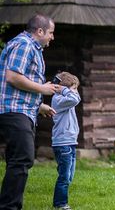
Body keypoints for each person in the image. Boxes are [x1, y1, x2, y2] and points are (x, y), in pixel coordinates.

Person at [0, 14, 59, 210]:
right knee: (23, 158)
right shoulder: (25, 44)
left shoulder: (30, 47)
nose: (52, 37)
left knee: (17, 160)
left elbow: (16, 83)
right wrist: (43, 89)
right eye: (50, 32)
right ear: (40, 31)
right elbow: (12, 77)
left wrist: (38, 105)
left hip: (21, 109)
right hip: (14, 111)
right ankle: (9, 207)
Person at [51, 72, 81, 210]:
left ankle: (60, 202)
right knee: (64, 176)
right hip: (63, 144)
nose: (76, 92)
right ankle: (60, 204)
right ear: (64, 88)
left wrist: (70, 90)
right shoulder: (59, 100)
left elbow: (76, 98)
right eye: (74, 88)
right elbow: (75, 99)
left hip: (69, 142)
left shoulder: (66, 98)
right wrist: (64, 90)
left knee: (69, 176)